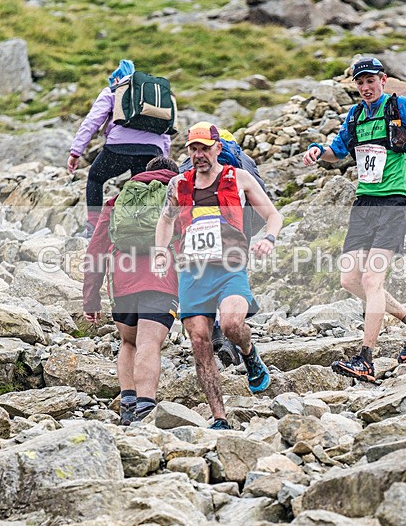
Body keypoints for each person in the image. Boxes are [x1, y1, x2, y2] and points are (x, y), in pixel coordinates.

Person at [302, 57, 406, 383]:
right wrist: (318, 152)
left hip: (393, 203)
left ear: (383, 80)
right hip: (364, 204)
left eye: (370, 81)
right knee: (350, 280)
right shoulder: (356, 115)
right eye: (360, 83)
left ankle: (366, 359)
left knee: (373, 281)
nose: (365, 87)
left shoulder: (400, 107)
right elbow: (338, 151)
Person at [154, 122, 282, 430]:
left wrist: (269, 238)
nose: (199, 155)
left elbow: (273, 215)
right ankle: (219, 417)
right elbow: (165, 221)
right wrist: (160, 250)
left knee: (231, 323)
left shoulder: (239, 178)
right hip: (192, 273)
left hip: (229, 269)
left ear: (218, 148)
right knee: (200, 343)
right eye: (193, 149)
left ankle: (250, 354)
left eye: (204, 148)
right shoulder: (179, 184)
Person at [82, 157, 180, 425]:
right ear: (174, 176)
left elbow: (96, 250)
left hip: (122, 282)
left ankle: (127, 405)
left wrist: (90, 298)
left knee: (129, 342)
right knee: (149, 342)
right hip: (161, 280)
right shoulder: (178, 197)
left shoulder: (118, 200)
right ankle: (145, 408)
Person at [68, 60, 172, 239]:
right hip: (151, 150)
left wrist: (75, 152)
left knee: (95, 177)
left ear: (116, 79)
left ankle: (93, 227)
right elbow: (165, 128)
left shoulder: (113, 90)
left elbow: (92, 122)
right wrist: (163, 159)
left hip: (119, 147)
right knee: (142, 188)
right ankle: (144, 230)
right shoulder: (151, 96)